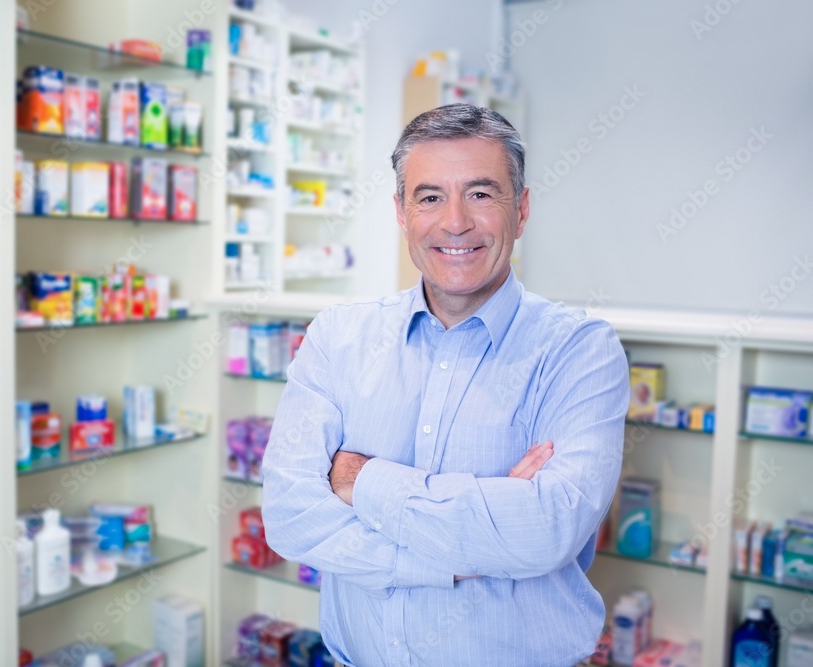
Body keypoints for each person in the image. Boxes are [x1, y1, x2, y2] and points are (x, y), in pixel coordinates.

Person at [262, 104, 629, 667]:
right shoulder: (340, 337)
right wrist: (467, 551)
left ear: (522, 208)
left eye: (481, 194)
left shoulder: (578, 351)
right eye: (429, 196)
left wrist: (360, 480)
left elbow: (547, 529)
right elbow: (290, 516)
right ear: (402, 212)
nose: (455, 221)